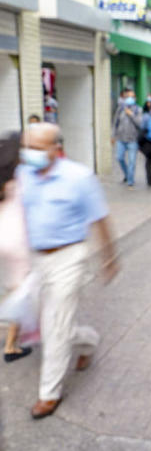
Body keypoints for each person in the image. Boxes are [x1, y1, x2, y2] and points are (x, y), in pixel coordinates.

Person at [19, 123, 119, 419]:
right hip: (37, 257)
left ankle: (49, 394)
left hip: (69, 257)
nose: (29, 153)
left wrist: (109, 258)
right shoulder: (24, 174)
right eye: (27, 147)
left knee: (55, 325)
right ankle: (88, 340)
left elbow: (101, 218)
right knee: (39, 318)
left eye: (37, 148)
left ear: (55, 148)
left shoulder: (79, 177)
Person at [0, 131, 37, 363]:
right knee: (21, 292)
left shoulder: (4, 179)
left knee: (15, 287)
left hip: (4, 238)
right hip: (19, 242)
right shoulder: (23, 178)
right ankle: (11, 346)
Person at [111, 88, 142, 188]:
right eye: (128, 97)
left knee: (132, 161)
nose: (129, 99)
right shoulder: (120, 109)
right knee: (119, 158)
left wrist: (131, 114)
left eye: (132, 97)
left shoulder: (138, 109)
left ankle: (130, 181)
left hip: (133, 139)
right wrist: (113, 136)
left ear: (135, 98)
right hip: (121, 139)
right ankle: (127, 174)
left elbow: (140, 124)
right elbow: (115, 123)